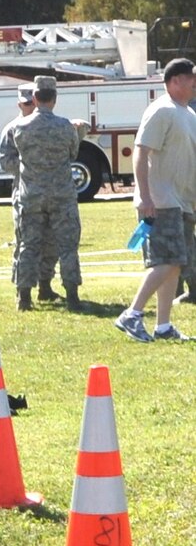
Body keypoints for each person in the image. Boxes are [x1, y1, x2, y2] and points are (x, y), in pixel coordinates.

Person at [114, 57, 196, 346]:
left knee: (175, 264)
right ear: (176, 81)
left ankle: (163, 326)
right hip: (162, 202)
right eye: (191, 78)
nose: (195, 83)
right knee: (166, 261)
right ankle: (132, 314)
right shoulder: (161, 110)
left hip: (183, 202)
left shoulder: (187, 113)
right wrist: (145, 196)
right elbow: (141, 152)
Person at [0, 74, 82, 312]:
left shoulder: (19, 128)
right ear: (54, 99)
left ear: (34, 98)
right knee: (67, 246)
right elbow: (72, 155)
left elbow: (11, 159)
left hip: (31, 195)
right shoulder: (66, 127)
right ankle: (73, 297)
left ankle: (24, 297)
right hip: (62, 195)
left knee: (28, 245)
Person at [0, 86, 50, 297]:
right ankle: (23, 290)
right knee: (25, 242)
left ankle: (45, 286)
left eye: (32, 102)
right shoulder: (12, 129)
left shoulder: (46, 126)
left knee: (49, 241)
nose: (29, 106)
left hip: (48, 193)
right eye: (25, 103)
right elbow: (4, 161)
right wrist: (27, 164)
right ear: (19, 104)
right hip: (24, 192)